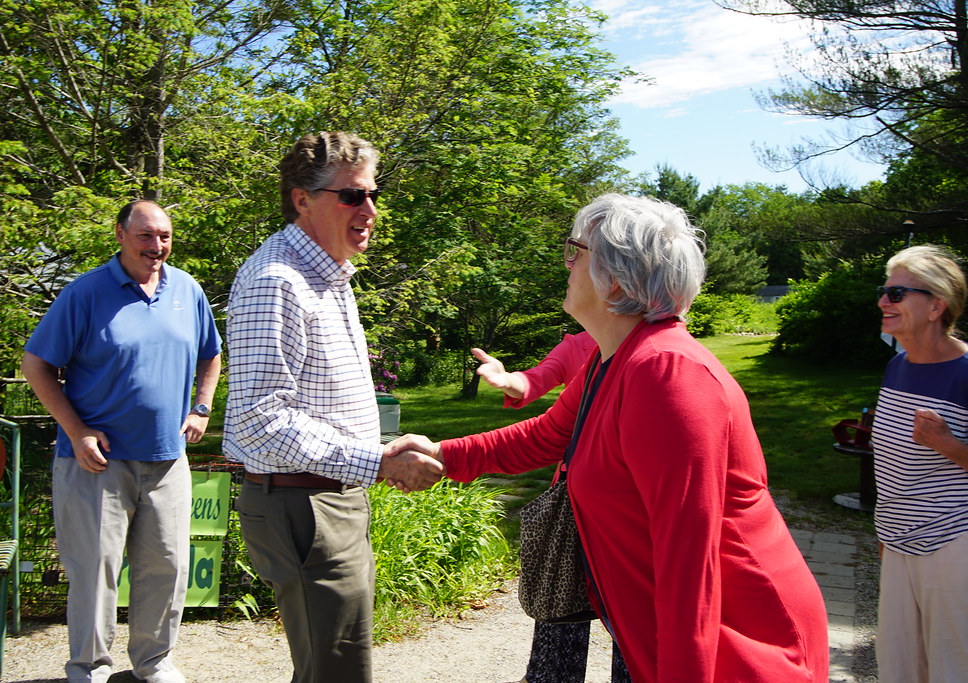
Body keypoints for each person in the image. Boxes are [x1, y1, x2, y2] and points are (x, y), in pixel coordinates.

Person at [387, 193, 830, 682]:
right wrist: (443, 455)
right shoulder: (614, 358)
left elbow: (688, 564)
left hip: (741, 640)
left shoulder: (668, 375)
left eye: (574, 250)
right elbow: (547, 435)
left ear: (614, 279)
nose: (567, 262)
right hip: (681, 636)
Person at [222, 131, 444, 683]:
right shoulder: (278, 281)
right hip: (304, 505)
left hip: (325, 500)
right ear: (302, 199)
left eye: (372, 193)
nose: (368, 209)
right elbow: (260, 421)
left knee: (337, 666)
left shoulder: (327, 274)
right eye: (351, 196)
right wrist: (379, 463)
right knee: (336, 673)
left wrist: (382, 449)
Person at [21, 200, 223, 683]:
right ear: (120, 234)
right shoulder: (86, 293)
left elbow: (211, 355)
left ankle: (154, 665)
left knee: (166, 570)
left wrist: (201, 407)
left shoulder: (187, 290)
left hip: (167, 461)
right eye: (146, 236)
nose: (157, 247)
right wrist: (76, 429)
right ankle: (88, 668)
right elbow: (36, 365)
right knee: (94, 574)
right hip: (96, 464)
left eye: (165, 237)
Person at [474, 336, 629, 683]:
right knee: (559, 602)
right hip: (572, 498)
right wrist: (508, 380)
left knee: (631, 617)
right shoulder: (577, 345)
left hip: (629, 508)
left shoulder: (648, 347)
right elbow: (535, 379)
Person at [872, 245, 968, 682]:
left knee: (951, 664)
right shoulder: (897, 366)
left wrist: (948, 445)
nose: (882, 302)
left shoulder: (965, 373)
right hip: (897, 542)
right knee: (898, 664)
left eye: (896, 294)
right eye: (884, 292)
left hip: (951, 544)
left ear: (936, 306)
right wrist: (884, 530)